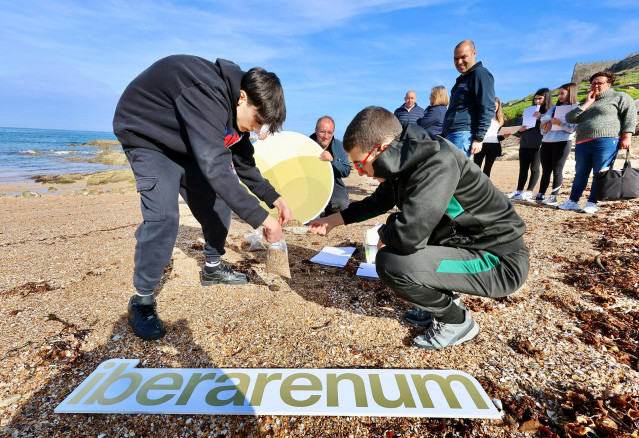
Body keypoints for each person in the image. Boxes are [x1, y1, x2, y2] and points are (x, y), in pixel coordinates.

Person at [308, 106, 530, 351]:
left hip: (497, 260)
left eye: (361, 164)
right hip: (465, 244)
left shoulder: (436, 163)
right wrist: (333, 220)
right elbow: (379, 201)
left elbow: (408, 236)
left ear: (381, 149)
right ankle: (444, 303)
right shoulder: (404, 157)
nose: (360, 172)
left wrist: (385, 234)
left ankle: (457, 322)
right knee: (400, 247)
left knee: (392, 263)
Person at [113, 55, 292, 341]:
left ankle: (212, 268)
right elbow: (217, 168)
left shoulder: (236, 114)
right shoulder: (205, 91)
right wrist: (265, 221)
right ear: (242, 98)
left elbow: (242, 161)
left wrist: (274, 198)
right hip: (148, 136)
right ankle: (142, 300)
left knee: (218, 203)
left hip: (187, 142)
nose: (258, 130)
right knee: (164, 217)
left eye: (264, 127)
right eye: (258, 120)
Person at [559, 72, 637, 214]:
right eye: (593, 83)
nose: (595, 85)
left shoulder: (620, 97)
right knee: (580, 172)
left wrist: (627, 136)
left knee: (600, 172)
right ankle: (573, 201)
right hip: (583, 141)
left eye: (599, 83)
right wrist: (587, 103)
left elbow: (630, 116)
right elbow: (570, 118)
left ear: (609, 84)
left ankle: (592, 202)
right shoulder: (588, 100)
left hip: (606, 140)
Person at [442, 40, 496, 158]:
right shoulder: (462, 79)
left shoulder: (480, 74)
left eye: (463, 57)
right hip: (452, 133)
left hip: (462, 134)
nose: (459, 62)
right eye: (456, 58)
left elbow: (487, 106)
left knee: (456, 173)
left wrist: (479, 138)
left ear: (474, 53)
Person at [505, 88, 553, 200]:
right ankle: (519, 190)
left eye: (540, 99)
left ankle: (529, 192)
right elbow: (521, 127)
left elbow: (550, 128)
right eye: (535, 99)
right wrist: (519, 129)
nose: (537, 101)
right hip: (524, 142)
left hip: (538, 144)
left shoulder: (550, 112)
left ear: (546, 99)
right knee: (523, 168)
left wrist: (541, 118)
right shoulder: (529, 111)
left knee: (535, 168)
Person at [536, 83, 578, 205]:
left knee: (557, 170)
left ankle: (553, 197)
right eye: (558, 93)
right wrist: (545, 128)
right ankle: (540, 194)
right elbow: (542, 128)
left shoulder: (576, 108)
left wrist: (560, 124)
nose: (559, 96)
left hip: (563, 142)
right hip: (547, 141)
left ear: (571, 94)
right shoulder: (553, 108)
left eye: (562, 93)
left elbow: (572, 129)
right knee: (545, 170)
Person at [309, 116, 352, 216]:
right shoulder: (306, 144)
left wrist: (333, 161)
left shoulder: (339, 146)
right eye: (322, 131)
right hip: (309, 183)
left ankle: (330, 211)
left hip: (332, 183)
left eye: (329, 133)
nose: (325, 136)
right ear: (316, 131)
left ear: (333, 133)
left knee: (342, 203)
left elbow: (346, 171)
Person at [473, 97, 507, 177]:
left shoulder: (500, 118)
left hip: (494, 145)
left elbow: (497, 135)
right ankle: (474, 187)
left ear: (499, 106)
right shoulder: (481, 116)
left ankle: (485, 188)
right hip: (481, 143)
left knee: (487, 169)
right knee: (476, 168)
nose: (494, 108)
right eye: (492, 105)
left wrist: (504, 136)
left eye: (496, 106)